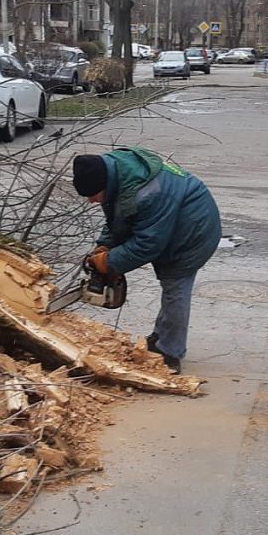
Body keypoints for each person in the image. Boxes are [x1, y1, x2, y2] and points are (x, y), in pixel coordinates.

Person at [72, 147, 221, 374]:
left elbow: (147, 245)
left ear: (104, 184)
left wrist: (110, 262)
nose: (91, 201)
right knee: (171, 288)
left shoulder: (147, 194)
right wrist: (104, 246)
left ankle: (170, 351)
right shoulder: (115, 174)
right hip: (172, 222)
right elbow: (118, 218)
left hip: (194, 231)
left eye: (93, 195)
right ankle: (161, 336)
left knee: (175, 288)